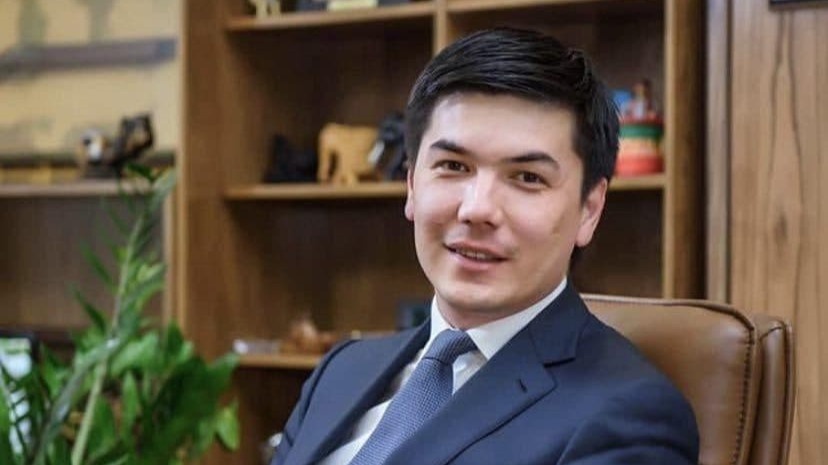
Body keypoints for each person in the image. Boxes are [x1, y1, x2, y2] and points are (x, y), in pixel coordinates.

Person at [271, 28, 699, 465]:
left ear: (589, 209)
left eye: (527, 177)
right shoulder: (340, 372)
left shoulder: (629, 417)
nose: (477, 209)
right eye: (453, 166)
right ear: (412, 185)